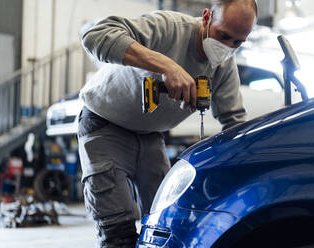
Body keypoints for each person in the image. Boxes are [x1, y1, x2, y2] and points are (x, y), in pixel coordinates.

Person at [78, 0, 257, 247]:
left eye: (238, 42)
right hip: (104, 123)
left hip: (151, 135)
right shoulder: (169, 27)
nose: (228, 47)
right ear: (206, 18)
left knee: (166, 225)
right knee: (118, 231)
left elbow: (234, 122)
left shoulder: (224, 64)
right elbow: (94, 35)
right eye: (223, 35)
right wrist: (167, 66)